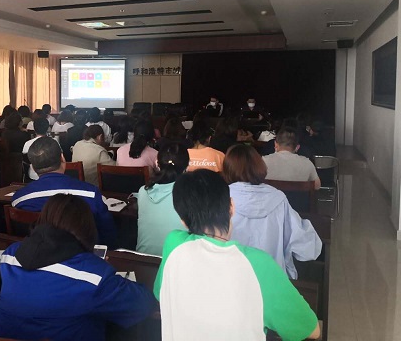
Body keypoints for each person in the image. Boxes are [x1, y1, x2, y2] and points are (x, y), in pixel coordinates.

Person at [154, 169, 321, 341]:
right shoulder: (259, 264)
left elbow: (159, 293)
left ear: (183, 221)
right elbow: (311, 330)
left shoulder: (173, 244)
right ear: (232, 207)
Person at [0, 194, 157, 341]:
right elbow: (143, 304)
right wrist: (103, 272)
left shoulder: (9, 256)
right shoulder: (93, 277)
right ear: (86, 229)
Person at [223, 144, 322, 279]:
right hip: (272, 278)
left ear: (227, 169)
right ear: (259, 166)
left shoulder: (221, 198)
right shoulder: (278, 198)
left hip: (232, 278)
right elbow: (306, 248)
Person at [12, 137, 116, 246]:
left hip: (35, 253)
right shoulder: (91, 194)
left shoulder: (19, 198)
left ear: (33, 167)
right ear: (63, 158)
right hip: (80, 254)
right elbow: (108, 235)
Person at [136, 143, 189, 256]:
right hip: (175, 261)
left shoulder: (143, 191)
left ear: (157, 163)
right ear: (187, 167)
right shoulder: (190, 194)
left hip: (143, 259)